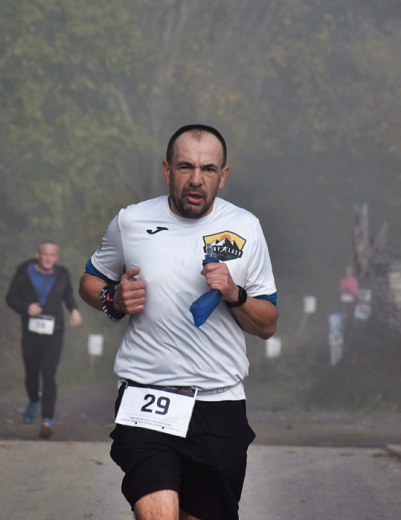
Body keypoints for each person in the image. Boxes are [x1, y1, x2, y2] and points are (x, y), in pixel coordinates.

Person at [79, 124, 278, 520]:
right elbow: (90, 279)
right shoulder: (131, 222)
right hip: (147, 395)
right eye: (185, 167)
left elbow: (267, 323)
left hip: (219, 403)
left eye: (207, 169)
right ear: (167, 170)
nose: (195, 180)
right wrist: (112, 298)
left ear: (223, 176)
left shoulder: (246, 227)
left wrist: (235, 294)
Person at [5, 240, 82, 439]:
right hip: (31, 333)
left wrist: (74, 310)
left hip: (54, 331)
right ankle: (33, 399)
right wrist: (26, 307)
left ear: (56, 257)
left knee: (48, 375)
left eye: (52, 255)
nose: (48, 258)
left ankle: (47, 420)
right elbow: (10, 297)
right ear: (38, 255)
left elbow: (68, 294)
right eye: (45, 254)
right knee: (31, 374)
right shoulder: (24, 273)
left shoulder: (62, 274)